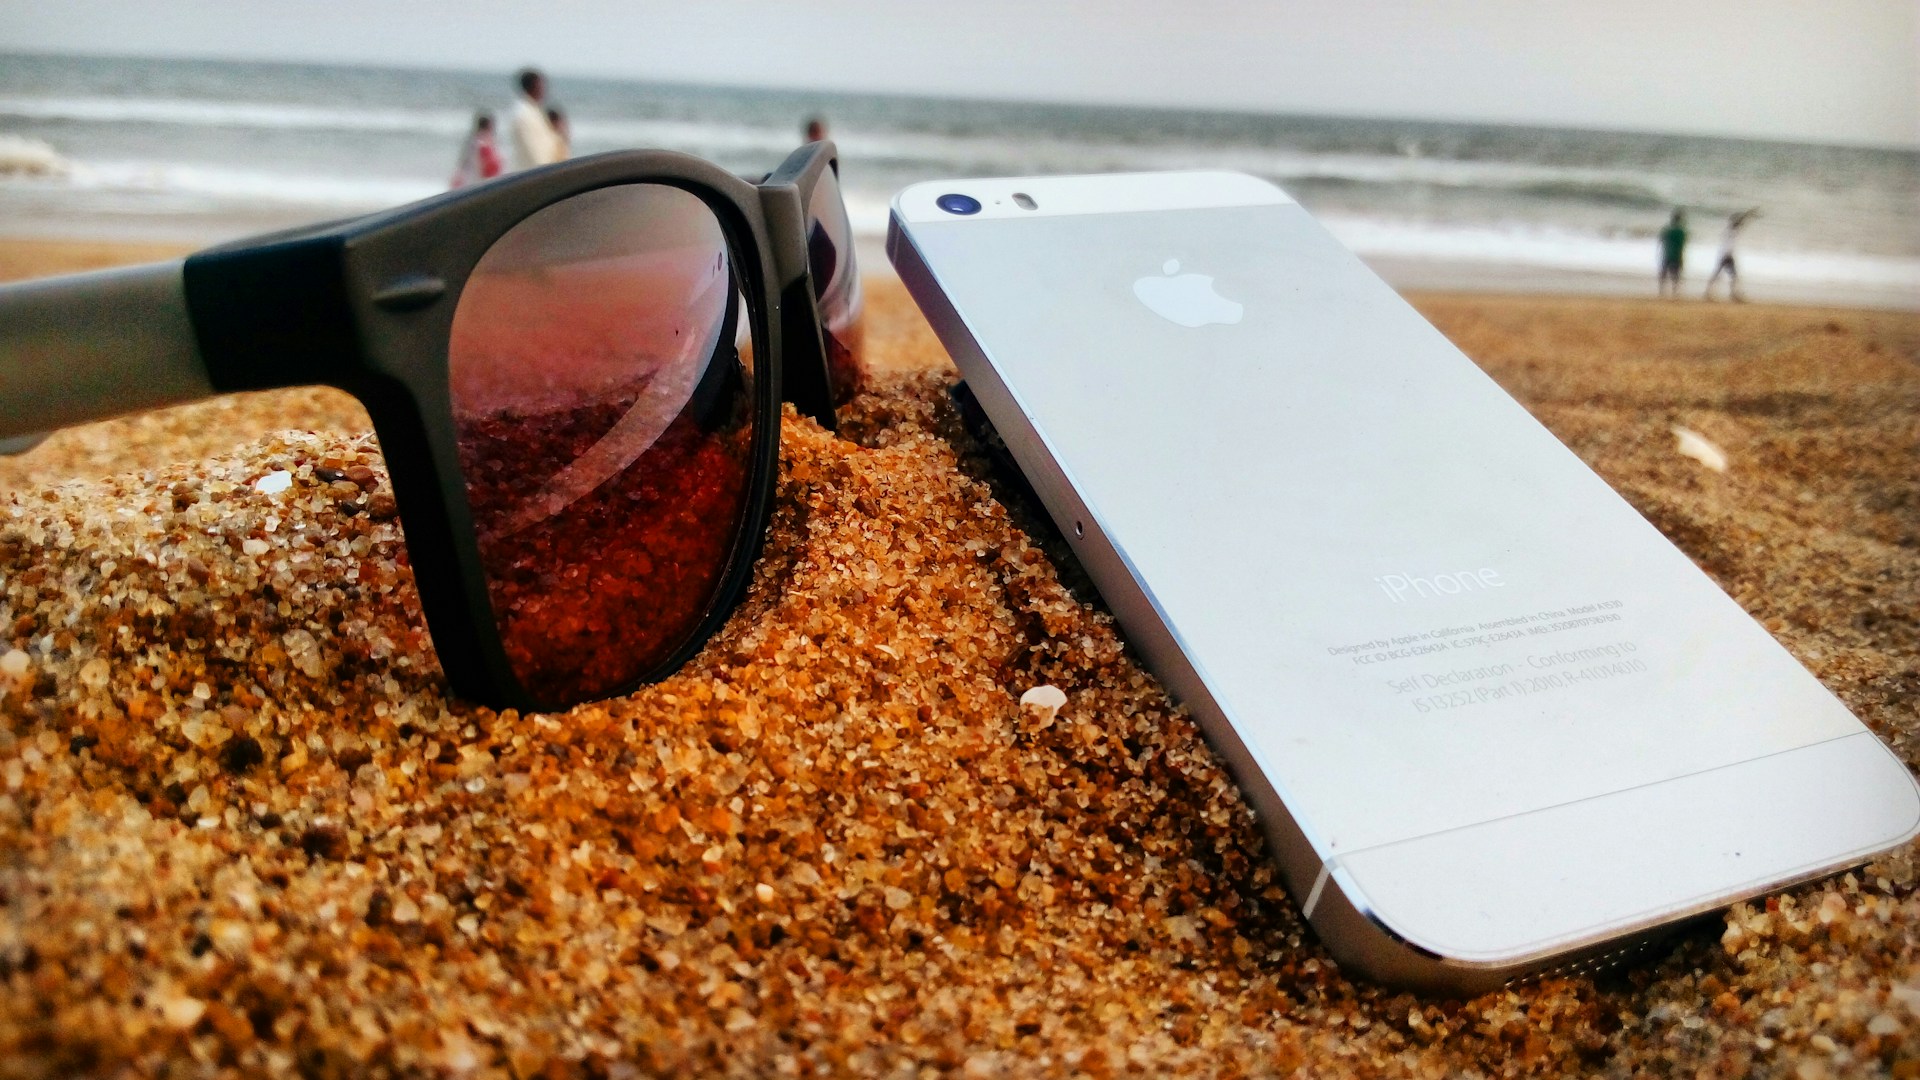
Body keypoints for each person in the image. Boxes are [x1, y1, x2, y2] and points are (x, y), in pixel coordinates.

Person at [508, 67, 564, 171]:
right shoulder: (524, 113)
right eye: (541, 85)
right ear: (534, 85)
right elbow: (536, 153)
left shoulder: (533, 110)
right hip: (529, 174)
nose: (544, 89)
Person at [1704, 209, 1758, 302]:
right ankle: (1731, 294)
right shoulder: (1732, 230)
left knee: (1723, 275)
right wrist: (1749, 214)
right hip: (1727, 255)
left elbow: (1740, 222)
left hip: (1725, 255)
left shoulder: (1729, 230)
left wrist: (1749, 215)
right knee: (1731, 276)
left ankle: (1710, 293)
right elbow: (1740, 221)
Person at [449, 112, 503, 189]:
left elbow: (465, 159)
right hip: (480, 177)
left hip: (478, 176)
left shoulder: (476, 139)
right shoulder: (483, 141)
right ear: (488, 126)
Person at [1657, 209, 1686, 298]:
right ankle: (1675, 292)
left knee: (1663, 273)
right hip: (1677, 255)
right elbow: (1683, 245)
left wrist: (1659, 250)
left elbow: (1661, 240)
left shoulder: (1667, 229)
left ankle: (1662, 291)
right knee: (1675, 275)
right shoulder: (1681, 232)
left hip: (1667, 254)